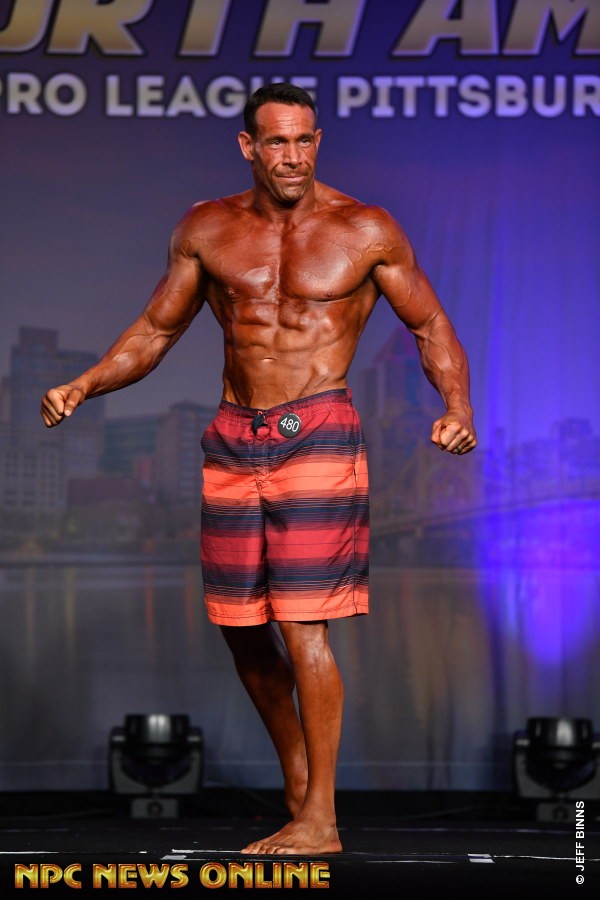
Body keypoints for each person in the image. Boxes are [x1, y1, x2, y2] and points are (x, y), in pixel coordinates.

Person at [41, 83, 477, 855]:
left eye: (305, 140)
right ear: (249, 147)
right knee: (242, 632)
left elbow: (430, 323)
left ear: (319, 141)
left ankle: (321, 819)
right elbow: (155, 330)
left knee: (302, 626)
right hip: (233, 438)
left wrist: (457, 405)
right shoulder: (207, 228)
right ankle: (299, 781)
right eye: (277, 142)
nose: (293, 156)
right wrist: (86, 383)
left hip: (318, 430)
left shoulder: (365, 229)